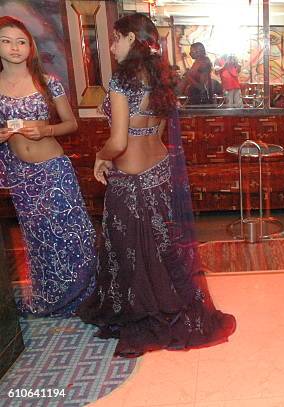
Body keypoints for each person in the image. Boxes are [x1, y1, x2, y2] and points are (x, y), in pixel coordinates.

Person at [76, 14, 236, 357]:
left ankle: (145, 313)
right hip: (159, 170)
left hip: (130, 178)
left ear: (131, 38)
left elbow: (117, 141)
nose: (113, 45)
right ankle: (172, 304)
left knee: (131, 249)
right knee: (162, 248)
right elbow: (159, 130)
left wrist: (100, 157)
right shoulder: (160, 78)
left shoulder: (121, 81)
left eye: (116, 39)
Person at [0, 16, 96, 317]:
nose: (15, 47)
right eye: (6, 40)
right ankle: (51, 295)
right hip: (20, 175)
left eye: (21, 41)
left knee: (71, 234)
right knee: (38, 237)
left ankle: (87, 295)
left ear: (31, 46)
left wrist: (46, 130)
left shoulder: (48, 81)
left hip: (53, 170)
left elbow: (71, 124)